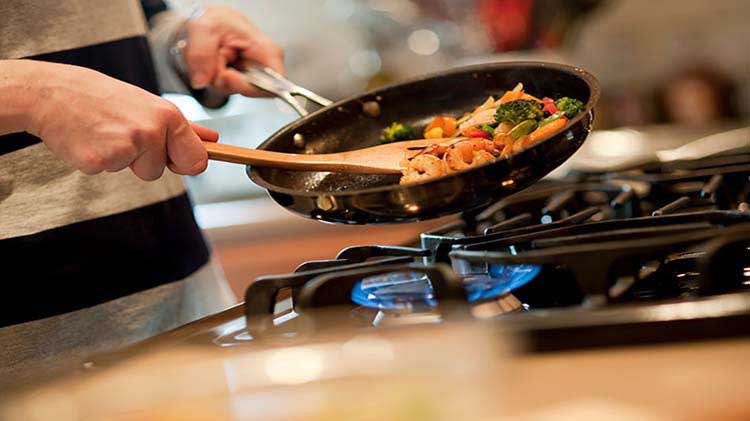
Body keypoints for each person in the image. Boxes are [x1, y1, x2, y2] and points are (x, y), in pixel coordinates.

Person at [0, 0, 283, 388]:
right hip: (26, 361)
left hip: (184, 313)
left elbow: (122, 26)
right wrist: (29, 94)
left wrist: (183, 47)